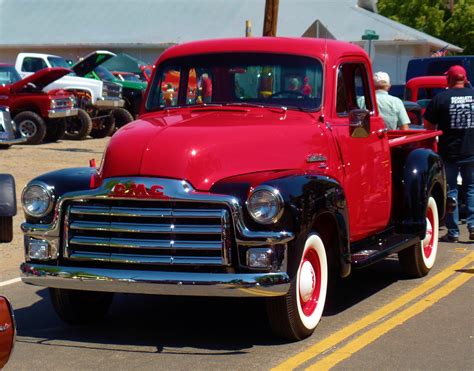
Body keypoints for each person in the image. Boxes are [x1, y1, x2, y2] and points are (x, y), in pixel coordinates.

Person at [424, 65, 474, 242]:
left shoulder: (441, 98)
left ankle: (453, 232)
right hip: (472, 150)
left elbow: (428, 126)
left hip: (449, 152)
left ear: (449, 80)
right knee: (471, 188)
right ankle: (473, 226)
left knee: (450, 189)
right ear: (465, 79)